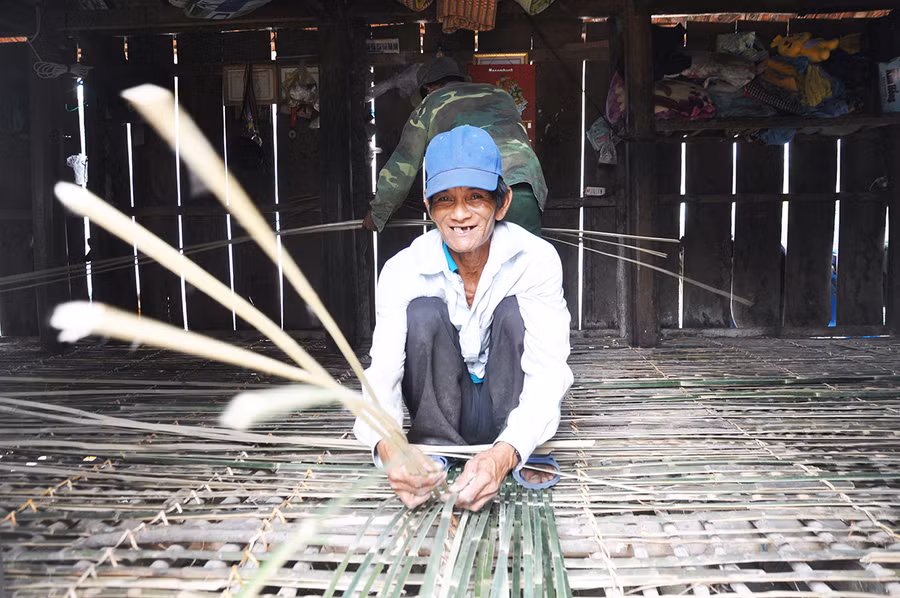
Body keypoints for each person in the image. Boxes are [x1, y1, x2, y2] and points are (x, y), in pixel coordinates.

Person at [354, 125, 573, 512]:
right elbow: (383, 372)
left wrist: (505, 452)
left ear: (501, 203)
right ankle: (434, 447)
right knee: (423, 312)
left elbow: (549, 369)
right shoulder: (402, 270)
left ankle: (520, 447)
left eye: (475, 197)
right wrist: (389, 448)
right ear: (428, 206)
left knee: (514, 311)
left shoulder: (536, 260)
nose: (459, 214)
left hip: (512, 412)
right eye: (445, 200)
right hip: (440, 410)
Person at [362, 56, 548, 237]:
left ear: (427, 88)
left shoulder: (430, 104)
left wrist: (377, 214)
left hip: (475, 193)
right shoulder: (501, 95)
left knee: (471, 267)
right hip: (523, 187)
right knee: (525, 264)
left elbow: (401, 169)